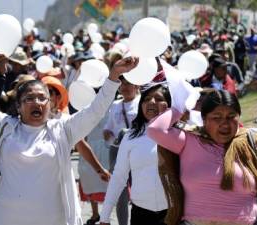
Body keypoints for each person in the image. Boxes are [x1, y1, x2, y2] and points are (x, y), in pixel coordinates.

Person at [0, 45, 139, 225]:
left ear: (50, 103)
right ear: (18, 106)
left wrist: (113, 76)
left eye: (42, 98)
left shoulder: (63, 130)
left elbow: (95, 110)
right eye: (29, 98)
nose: (37, 102)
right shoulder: (3, 126)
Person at [147, 89, 257, 225]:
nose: (224, 123)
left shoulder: (251, 143)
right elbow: (155, 129)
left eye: (231, 117)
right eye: (216, 118)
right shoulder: (188, 141)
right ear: (204, 120)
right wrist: (181, 106)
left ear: (239, 117)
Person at [41, 75, 111, 224]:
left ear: (58, 97)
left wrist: (100, 170)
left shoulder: (65, 121)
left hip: (61, 182)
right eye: (40, 94)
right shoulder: (28, 122)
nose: (45, 97)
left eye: (49, 92)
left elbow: (81, 145)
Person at [100, 82, 170, 225]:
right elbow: (119, 177)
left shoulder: (182, 134)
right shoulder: (130, 136)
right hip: (141, 214)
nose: (151, 102)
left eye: (158, 98)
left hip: (173, 213)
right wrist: (105, 216)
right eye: (146, 99)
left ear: (169, 104)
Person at [102, 76, 140, 225]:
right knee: (120, 194)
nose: (124, 87)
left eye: (129, 83)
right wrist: (106, 132)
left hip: (136, 152)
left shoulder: (141, 103)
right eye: (122, 83)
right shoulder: (115, 105)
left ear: (136, 85)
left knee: (139, 191)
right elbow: (108, 126)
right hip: (116, 151)